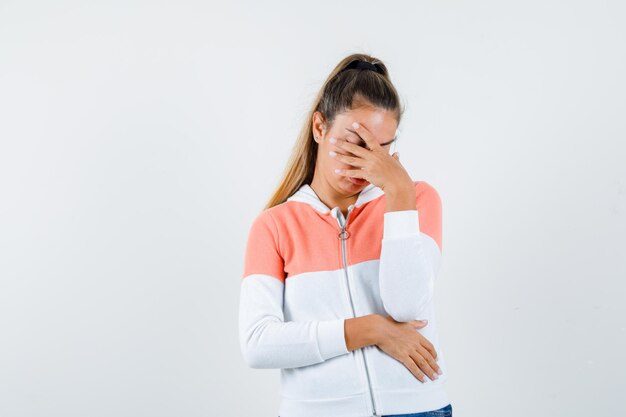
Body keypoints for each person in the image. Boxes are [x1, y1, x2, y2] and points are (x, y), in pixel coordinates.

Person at [238, 53, 453, 417]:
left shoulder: (417, 200)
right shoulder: (274, 226)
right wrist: (371, 329)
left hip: (417, 409)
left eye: (382, 148)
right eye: (354, 142)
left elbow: (407, 307)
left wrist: (399, 195)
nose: (367, 162)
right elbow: (258, 344)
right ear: (319, 128)